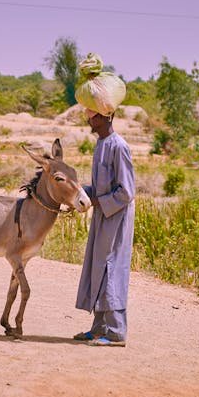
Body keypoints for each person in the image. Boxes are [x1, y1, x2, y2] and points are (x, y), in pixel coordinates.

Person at [73, 55, 135, 347]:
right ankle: (98, 328)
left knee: (112, 265)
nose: (88, 118)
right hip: (103, 215)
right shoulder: (101, 145)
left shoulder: (119, 147)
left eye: (91, 114)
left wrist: (99, 202)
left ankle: (116, 332)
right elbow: (99, 186)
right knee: (98, 264)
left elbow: (125, 192)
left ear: (102, 116)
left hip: (116, 217)